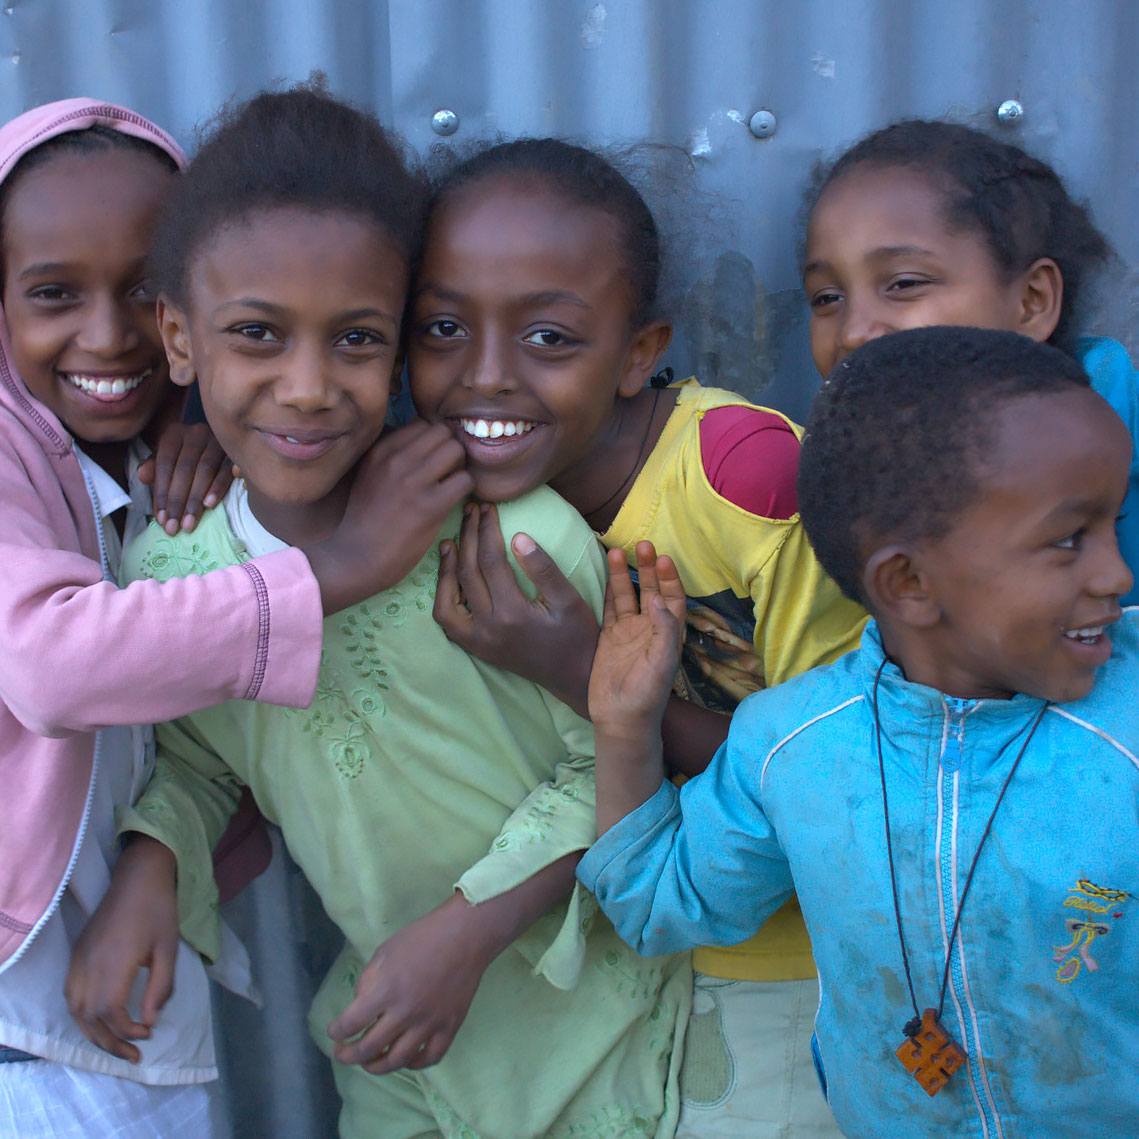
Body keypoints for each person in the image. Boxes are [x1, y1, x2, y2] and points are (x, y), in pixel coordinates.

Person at [77, 87, 690, 1139]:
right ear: (178, 339)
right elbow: (199, 754)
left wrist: (464, 931)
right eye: (257, 334)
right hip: (392, 1053)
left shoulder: (508, 533)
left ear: (400, 342)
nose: (309, 387)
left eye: (355, 339)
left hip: (609, 1033)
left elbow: (614, 758)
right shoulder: (171, 563)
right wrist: (153, 862)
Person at [0, 98, 471, 1138]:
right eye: (51, 293)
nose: (108, 334)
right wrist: (333, 569)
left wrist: (204, 415)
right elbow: (47, 665)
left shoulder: (158, 476)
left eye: (144, 293)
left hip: (101, 1003)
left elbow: (211, 740)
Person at [580, 325, 1139, 1138]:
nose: (1117, 574)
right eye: (1066, 540)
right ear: (908, 583)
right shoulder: (792, 746)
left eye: (1109, 524)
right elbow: (662, 903)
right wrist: (626, 723)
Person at [408, 137, 863, 1135]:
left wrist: (582, 671)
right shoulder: (433, 489)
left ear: (639, 353)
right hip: (612, 976)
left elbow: (841, 778)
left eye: (549, 339)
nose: (483, 376)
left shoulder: (746, 484)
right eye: (442, 326)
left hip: (787, 967)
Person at [802, 117, 1139, 604]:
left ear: (1031, 301)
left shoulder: (1122, 431)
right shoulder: (855, 484)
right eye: (827, 297)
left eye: (904, 283)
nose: (855, 332)